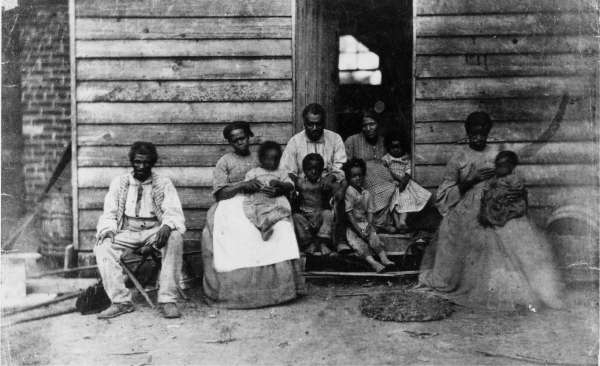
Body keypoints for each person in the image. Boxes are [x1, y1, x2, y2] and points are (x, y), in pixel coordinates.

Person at [419, 112, 564, 311]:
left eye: (482, 134)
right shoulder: (458, 157)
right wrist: (472, 179)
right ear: (467, 133)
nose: (478, 138)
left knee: (515, 232)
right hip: (468, 204)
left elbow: (512, 174)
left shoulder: (497, 151)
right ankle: (464, 282)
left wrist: (511, 193)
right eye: (473, 134)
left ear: (488, 132)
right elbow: (444, 193)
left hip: (498, 200)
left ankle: (525, 291)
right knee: (462, 232)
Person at [202, 121, 305, 308]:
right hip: (233, 203)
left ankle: (280, 290)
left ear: (249, 136)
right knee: (239, 230)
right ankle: (239, 293)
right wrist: (241, 185)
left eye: (242, 138)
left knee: (281, 227)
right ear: (230, 143)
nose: (240, 143)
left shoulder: (262, 156)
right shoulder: (224, 161)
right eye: (234, 141)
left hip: (263, 200)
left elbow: (278, 176)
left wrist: (277, 189)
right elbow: (219, 194)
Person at [94, 141, 185, 319]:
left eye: (146, 162)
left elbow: (173, 211)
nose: (141, 166)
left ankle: (168, 299)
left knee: (175, 237)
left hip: (154, 229)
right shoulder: (120, 183)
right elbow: (109, 213)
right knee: (102, 246)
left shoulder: (163, 183)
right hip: (127, 230)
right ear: (132, 162)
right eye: (137, 162)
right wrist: (108, 230)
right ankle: (121, 301)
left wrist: (167, 226)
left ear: (152, 163)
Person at [345, 110, 438, 233]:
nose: (368, 128)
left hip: (387, 180)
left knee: (395, 189)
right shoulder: (352, 141)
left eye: (372, 124)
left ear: (379, 124)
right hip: (364, 183)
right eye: (364, 125)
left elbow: (395, 160)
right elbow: (347, 167)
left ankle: (392, 222)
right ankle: (381, 224)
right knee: (389, 189)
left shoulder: (385, 142)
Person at [281, 103, 349, 252]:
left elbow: (341, 165)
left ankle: (339, 239)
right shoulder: (295, 141)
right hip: (304, 189)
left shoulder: (334, 138)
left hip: (328, 184)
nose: (314, 128)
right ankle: (304, 243)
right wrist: (297, 183)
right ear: (304, 123)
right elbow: (287, 170)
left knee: (345, 193)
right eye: (310, 124)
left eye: (318, 124)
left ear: (323, 123)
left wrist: (330, 177)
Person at [343, 158, 396, 273]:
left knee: (374, 237)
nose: (357, 178)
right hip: (353, 226)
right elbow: (349, 215)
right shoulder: (349, 192)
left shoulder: (366, 192)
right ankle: (373, 263)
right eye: (354, 176)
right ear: (348, 178)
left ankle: (384, 258)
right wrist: (359, 230)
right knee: (359, 244)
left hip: (364, 223)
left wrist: (369, 225)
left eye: (360, 175)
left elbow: (370, 211)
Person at [243, 141, 294, 241]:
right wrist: (253, 185)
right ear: (262, 159)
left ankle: (271, 226)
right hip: (260, 201)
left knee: (284, 216)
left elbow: (290, 185)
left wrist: (280, 184)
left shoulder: (281, 173)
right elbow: (246, 187)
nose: (273, 163)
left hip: (276, 202)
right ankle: (265, 228)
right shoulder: (254, 172)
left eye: (276, 159)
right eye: (269, 159)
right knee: (259, 214)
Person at [382, 132, 432, 231]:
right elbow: (383, 172)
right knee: (392, 201)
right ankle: (397, 222)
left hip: (405, 184)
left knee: (405, 199)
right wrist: (391, 179)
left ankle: (402, 221)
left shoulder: (406, 158)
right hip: (392, 183)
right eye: (393, 147)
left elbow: (408, 174)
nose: (395, 150)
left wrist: (402, 182)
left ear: (403, 147)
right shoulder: (386, 158)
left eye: (398, 147)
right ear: (389, 147)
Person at [291, 153, 335, 255]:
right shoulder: (301, 183)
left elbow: (336, 186)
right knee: (296, 217)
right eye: (310, 169)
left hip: (318, 215)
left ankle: (322, 243)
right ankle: (308, 245)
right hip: (305, 217)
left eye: (317, 169)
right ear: (304, 170)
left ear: (321, 170)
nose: (313, 171)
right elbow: (290, 177)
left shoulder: (323, 183)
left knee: (328, 214)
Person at [478, 151, 527, 228]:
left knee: (515, 210)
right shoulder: (495, 176)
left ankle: (500, 219)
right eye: (496, 165)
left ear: (511, 167)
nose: (497, 168)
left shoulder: (514, 179)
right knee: (488, 207)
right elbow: (488, 186)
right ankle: (489, 218)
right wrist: (487, 191)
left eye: (501, 166)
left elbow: (515, 191)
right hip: (496, 201)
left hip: (508, 202)